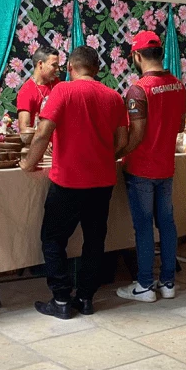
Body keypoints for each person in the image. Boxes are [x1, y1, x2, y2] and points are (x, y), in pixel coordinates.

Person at [20, 46, 128, 319]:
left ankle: (60, 300)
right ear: (97, 68)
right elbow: (124, 140)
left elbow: (43, 133)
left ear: (69, 66)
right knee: (94, 240)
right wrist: (104, 157)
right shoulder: (114, 96)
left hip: (68, 180)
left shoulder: (62, 91)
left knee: (53, 238)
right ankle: (86, 298)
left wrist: (29, 163)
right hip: (102, 181)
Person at [115, 32, 186, 303]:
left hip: (141, 168)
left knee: (144, 227)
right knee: (167, 225)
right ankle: (168, 283)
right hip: (166, 167)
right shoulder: (178, 85)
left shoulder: (138, 89)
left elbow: (137, 135)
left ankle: (145, 284)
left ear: (136, 56)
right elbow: (180, 125)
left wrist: (117, 153)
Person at [16, 46, 61, 132]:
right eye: (54, 65)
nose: (57, 69)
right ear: (40, 64)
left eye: (57, 66)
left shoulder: (57, 84)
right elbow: (24, 129)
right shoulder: (26, 91)